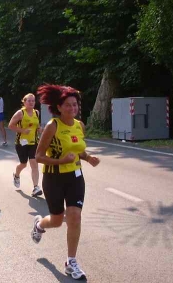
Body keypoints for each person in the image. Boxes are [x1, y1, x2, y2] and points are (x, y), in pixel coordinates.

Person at [30, 84, 100, 280]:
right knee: (57, 220)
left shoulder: (80, 125)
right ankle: (39, 225)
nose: (72, 108)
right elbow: (39, 156)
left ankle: (71, 262)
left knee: (75, 217)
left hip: (75, 177)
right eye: (68, 105)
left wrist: (88, 158)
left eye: (75, 105)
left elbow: (78, 150)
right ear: (59, 107)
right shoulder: (53, 126)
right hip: (54, 178)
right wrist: (61, 161)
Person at [8, 93, 43, 197]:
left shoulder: (36, 112)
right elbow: (11, 125)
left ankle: (36, 187)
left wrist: (40, 129)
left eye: (33, 101)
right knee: (23, 164)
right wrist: (22, 130)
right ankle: (16, 175)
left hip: (34, 142)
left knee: (34, 164)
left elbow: (37, 126)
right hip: (21, 143)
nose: (32, 102)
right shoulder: (20, 113)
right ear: (24, 102)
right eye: (29, 101)